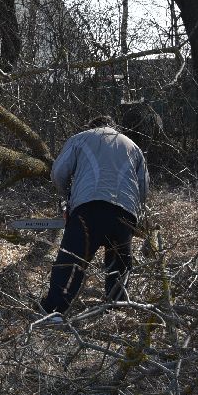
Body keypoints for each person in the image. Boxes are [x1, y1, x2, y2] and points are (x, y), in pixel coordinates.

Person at [38, 113, 150, 323]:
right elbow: (143, 188)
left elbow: (58, 172)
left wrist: (66, 197)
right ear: (114, 127)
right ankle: (116, 313)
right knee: (119, 265)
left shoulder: (81, 138)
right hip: (125, 214)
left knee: (70, 262)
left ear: (91, 126)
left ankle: (54, 311)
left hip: (89, 210)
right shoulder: (133, 147)